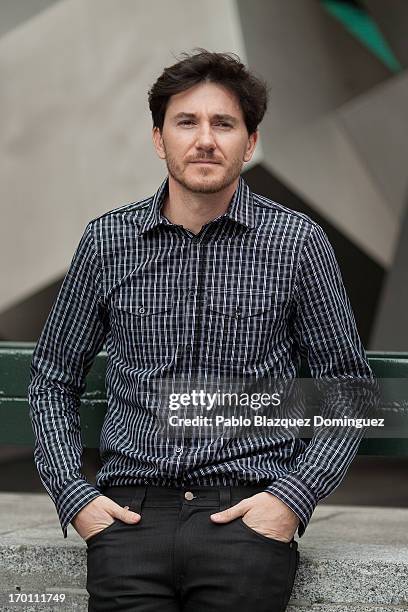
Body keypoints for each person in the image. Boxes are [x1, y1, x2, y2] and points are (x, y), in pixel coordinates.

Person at [28, 49, 375, 612]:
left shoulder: (296, 245)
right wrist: (75, 497)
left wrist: (291, 500)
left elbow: (348, 390)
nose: (205, 139)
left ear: (251, 141)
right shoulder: (108, 243)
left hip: (245, 514)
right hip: (129, 517)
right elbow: (51, 376)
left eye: (224, 124)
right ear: (159, 139)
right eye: (186, 122)